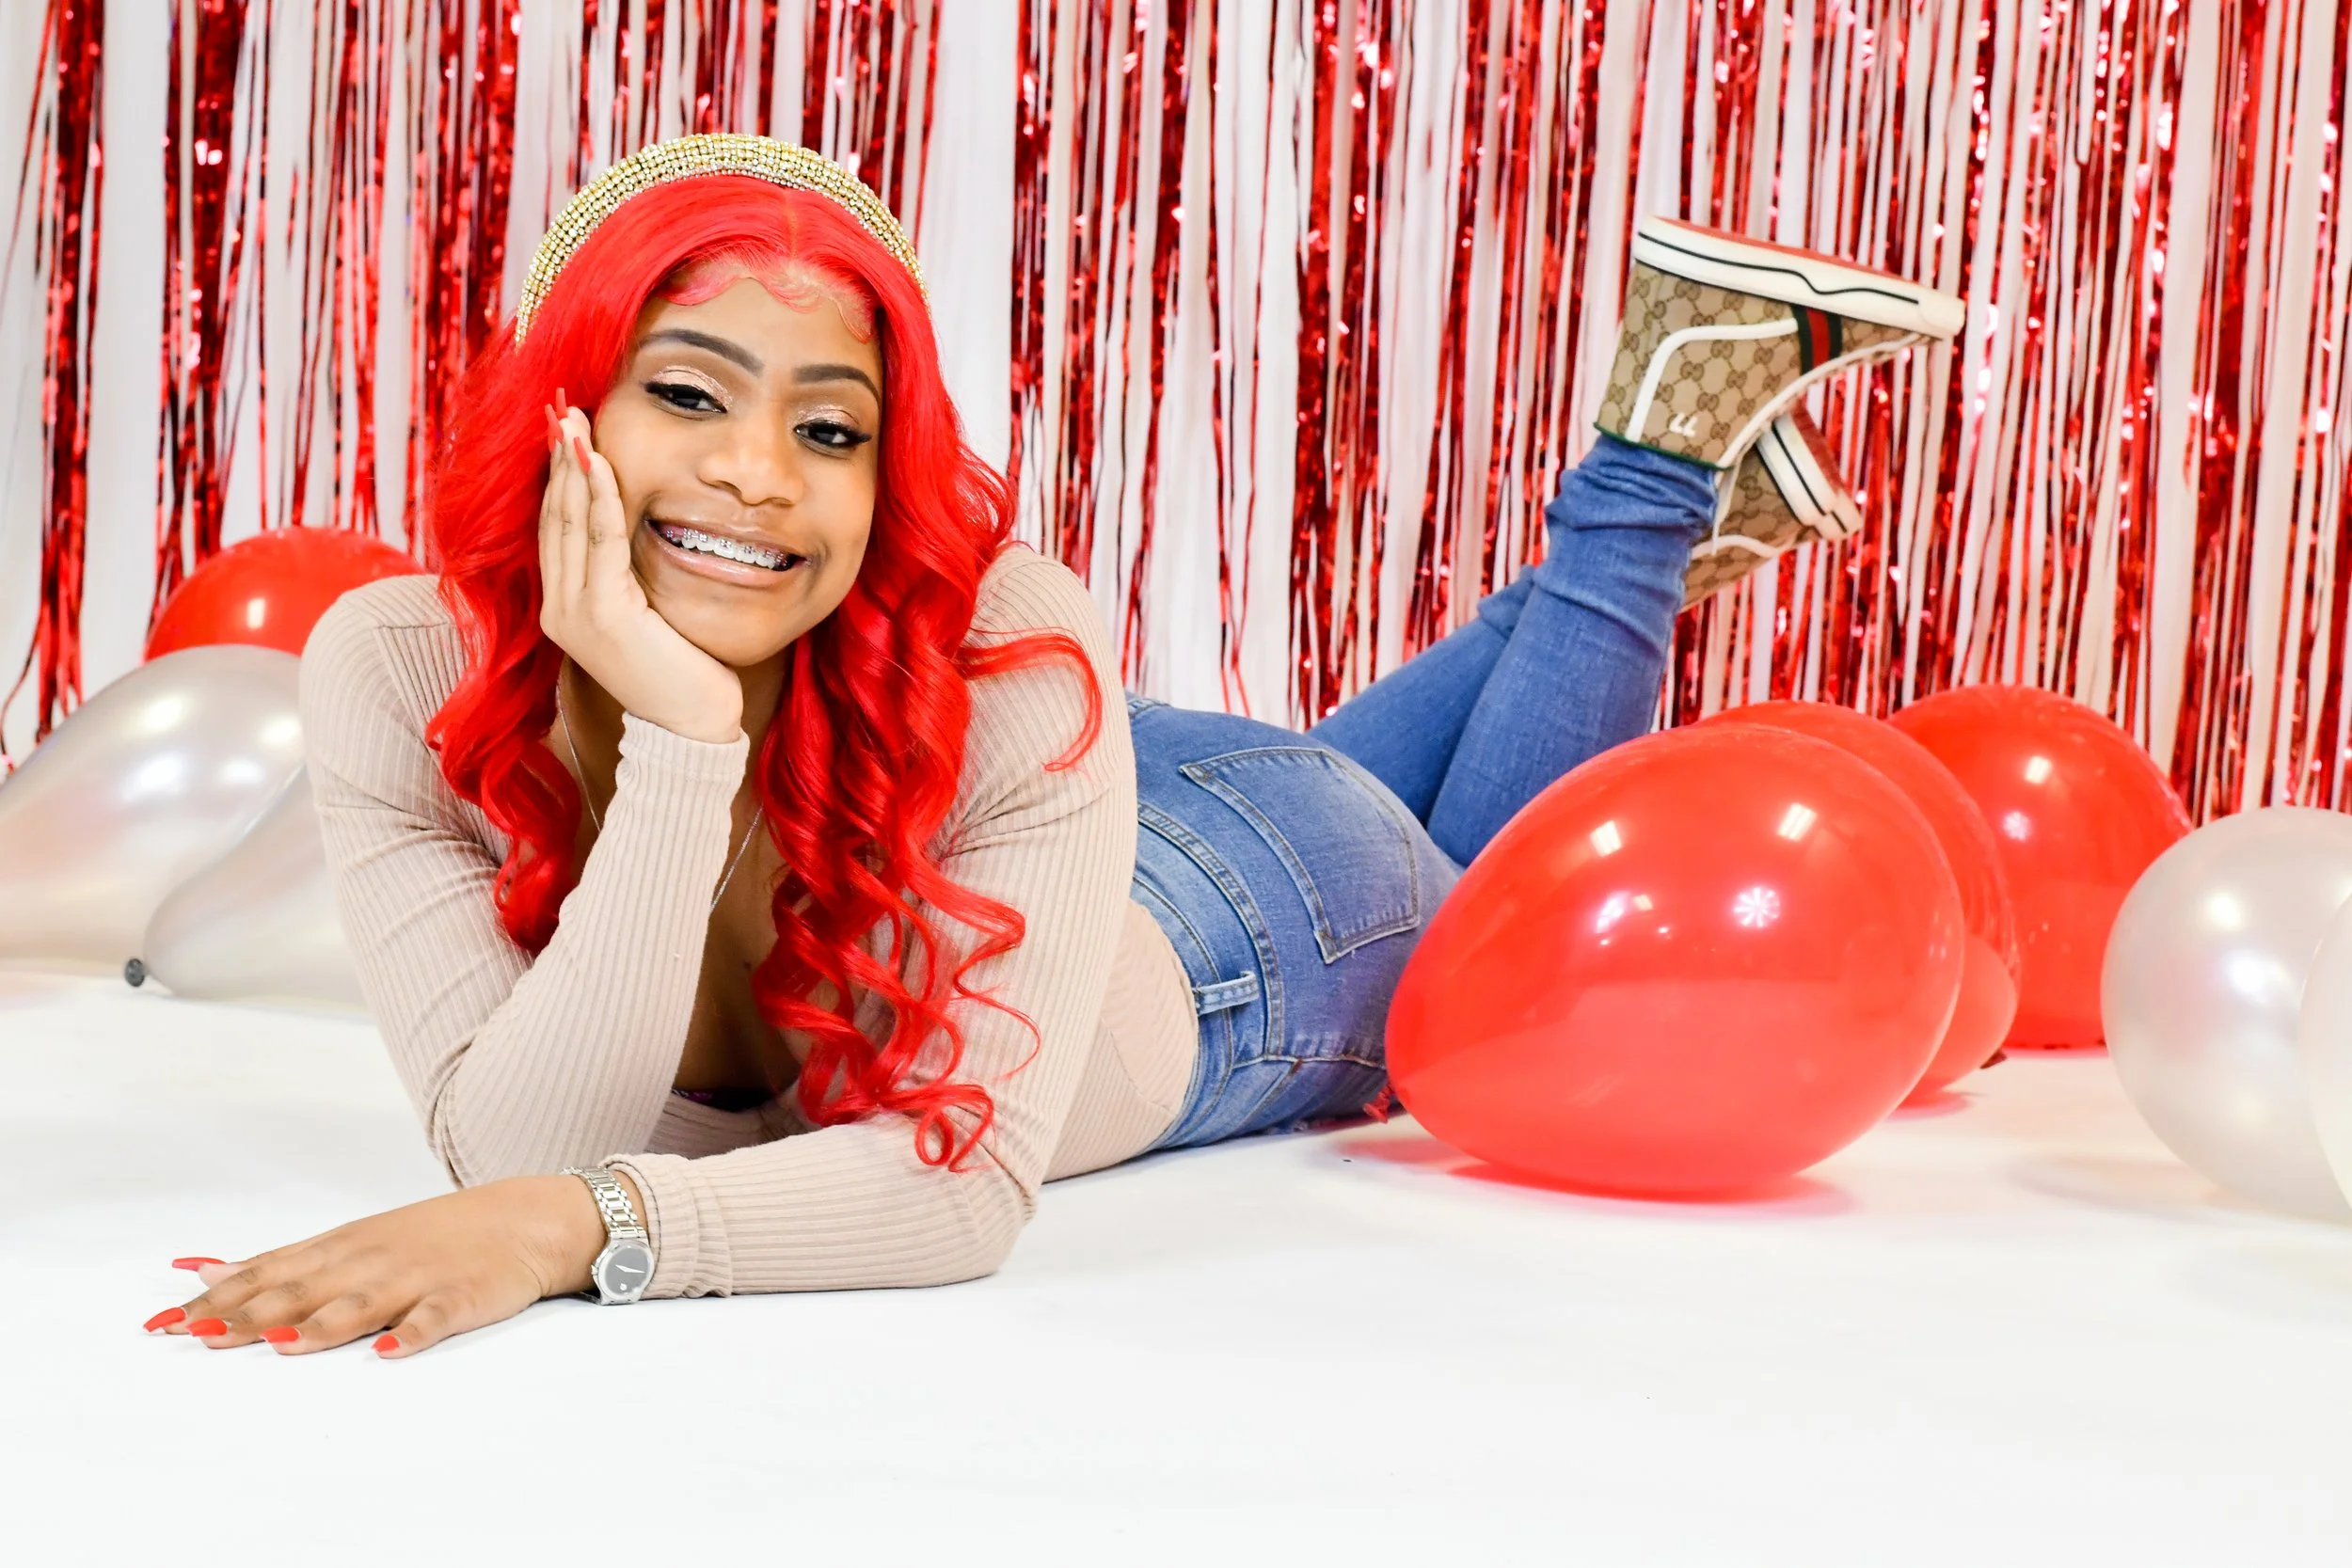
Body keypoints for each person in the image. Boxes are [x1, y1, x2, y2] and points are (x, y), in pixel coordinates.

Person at [142, 135, 1963, 1357]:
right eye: (687, 393)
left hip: (1252, 931)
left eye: (831, 429)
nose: (761, 478)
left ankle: (1652, 468)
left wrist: (582, 1233)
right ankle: (1661, 538)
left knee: (1502, 939)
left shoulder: (1007, 635)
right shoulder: (400, 660)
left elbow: (948, 1186)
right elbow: (516, 1134)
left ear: (886, 467)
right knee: (1323, 765)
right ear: (566, 413)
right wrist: (688, 734)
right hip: (1082, 809)